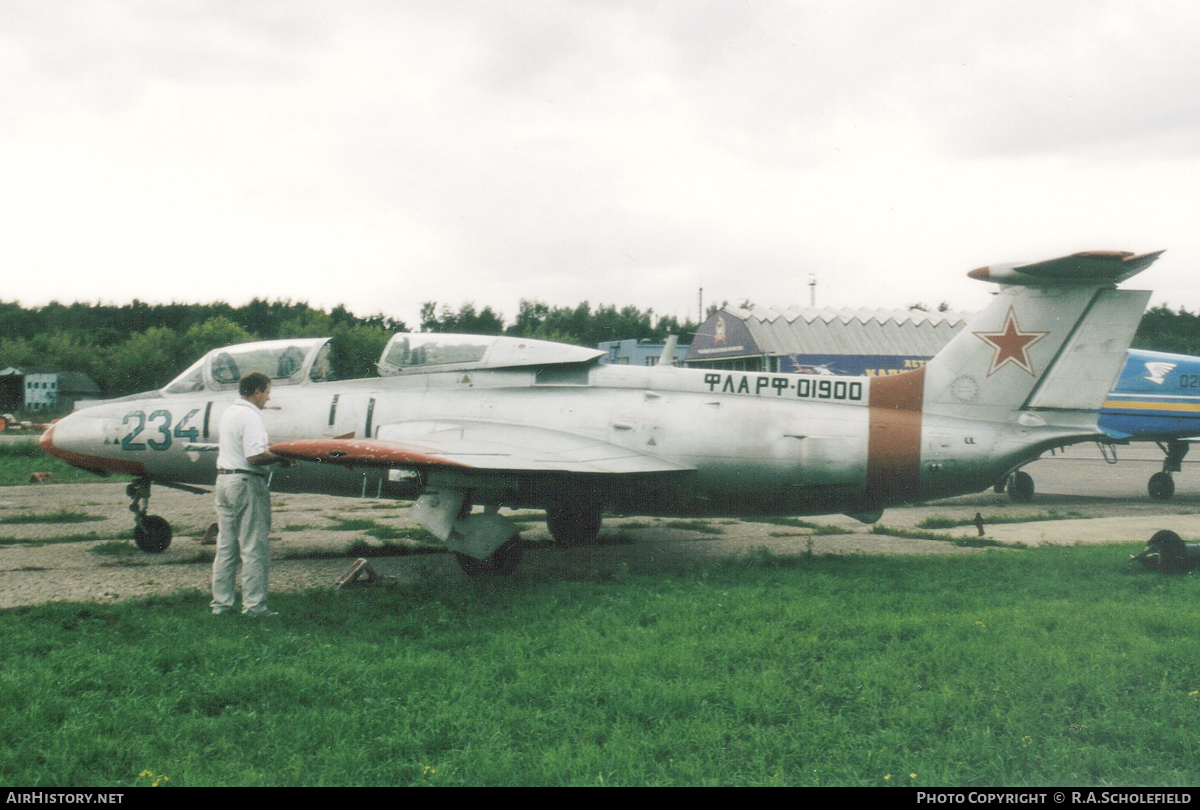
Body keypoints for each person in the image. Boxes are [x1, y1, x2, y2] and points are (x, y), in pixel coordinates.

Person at [211, 371, 291, 617]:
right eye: (266, 392)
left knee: (226, 547)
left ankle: (221, 605)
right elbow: (255, 456)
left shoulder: (230, 413)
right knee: (254, 547)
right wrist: (284, 458)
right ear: (256, 392)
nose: (267, 398)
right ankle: (255, 607)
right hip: (246, 482)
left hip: (224, 481)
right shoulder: (251, 416)